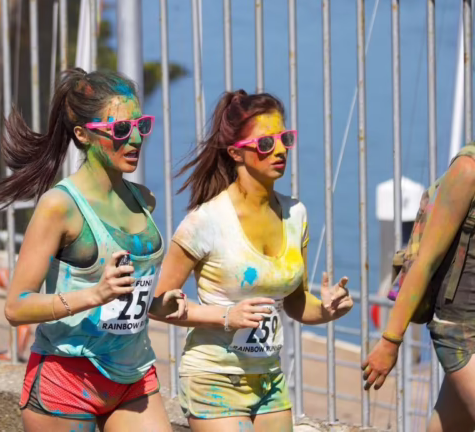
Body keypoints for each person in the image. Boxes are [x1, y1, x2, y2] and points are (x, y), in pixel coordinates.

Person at [0, 68, 187, 431]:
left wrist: (159, 306)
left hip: (133, 376)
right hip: (67, 380)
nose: (136, 140)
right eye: (121, 131)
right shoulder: (59, 206)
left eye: (141, 126)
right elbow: (16, 307)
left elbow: (124, 300)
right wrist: (95, 294)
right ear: (83, 134)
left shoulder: (144, 200)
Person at [152, 90, 354, 431]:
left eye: (284, 139)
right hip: (214, 377)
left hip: (269, 380)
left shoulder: (296, 214)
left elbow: (295, 302)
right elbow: (157, 305)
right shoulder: (206, 221)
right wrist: (227, 316)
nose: (279, 150)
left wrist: (326, 310)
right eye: (264, 144)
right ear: (236, 153)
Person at [362, 143, 475, 432]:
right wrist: (390, 340)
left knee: (446, 427)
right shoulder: (468, 170)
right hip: (461, 331)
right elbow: (425, 262)